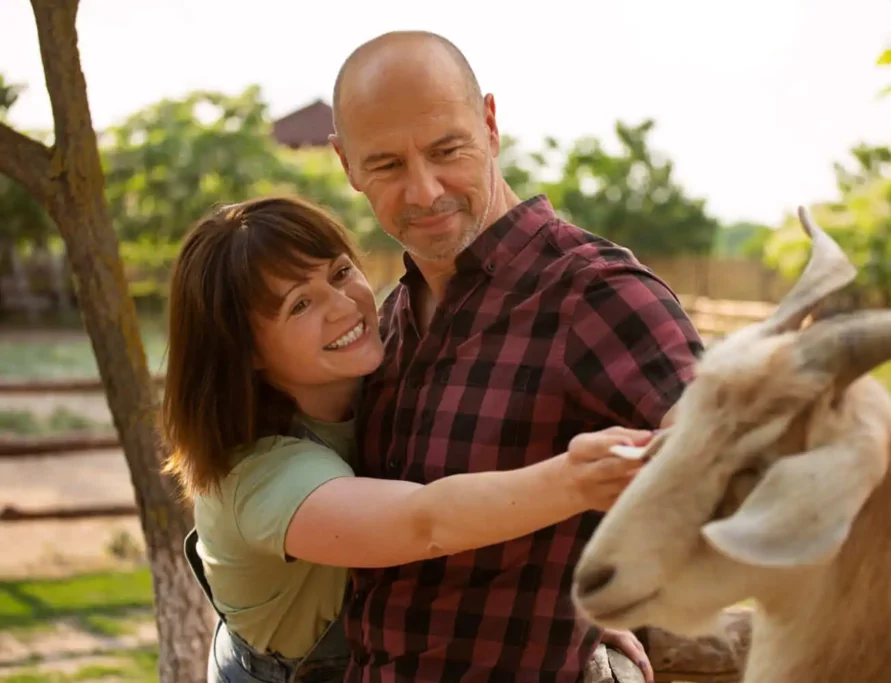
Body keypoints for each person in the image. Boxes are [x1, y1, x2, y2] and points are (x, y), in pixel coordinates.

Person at [328, 31, 705, 683]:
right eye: (387, 165)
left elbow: (721, 454)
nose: (423, 191)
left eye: (447, 150)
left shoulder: (595, 293)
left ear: (491, 124)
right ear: (347, 165)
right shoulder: (385, 324)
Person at [160, 196, 657, 683]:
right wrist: (576, 480)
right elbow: (424, 521)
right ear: (244, 351)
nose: (344, 306)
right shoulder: (261, 474)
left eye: (339, 273)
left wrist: (569, 622)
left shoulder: (387, 367)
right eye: (300, 304)